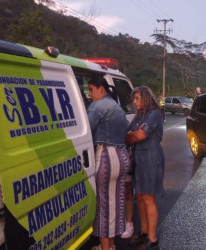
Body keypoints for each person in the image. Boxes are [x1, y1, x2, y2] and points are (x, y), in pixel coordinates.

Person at [87, 76, 131, 250]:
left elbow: (85, 131)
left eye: (91, 89)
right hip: (122, 157)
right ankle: (110, 246)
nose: (89, 94)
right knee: (114, 205)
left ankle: (106, 248)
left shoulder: (98, 106)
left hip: (106, 156)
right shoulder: (117, 108)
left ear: (101, 89)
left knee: (103, 207)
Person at [126, 86, 165, 250]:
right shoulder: (139, 117)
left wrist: (132, 135)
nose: (134, 102)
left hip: (150, 159)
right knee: (140, 197)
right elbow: (129, 138)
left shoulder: (154, 114)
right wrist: (132, 135)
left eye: (137, 99)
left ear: (145, 98)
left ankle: (152, 238)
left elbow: (140, 135)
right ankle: (144, 231)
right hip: (139, 159)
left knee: (148, 198)